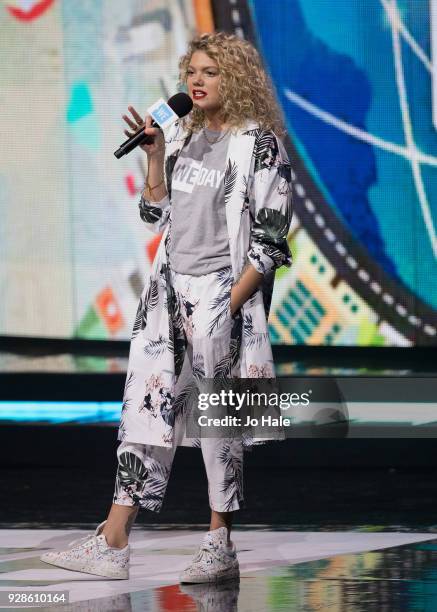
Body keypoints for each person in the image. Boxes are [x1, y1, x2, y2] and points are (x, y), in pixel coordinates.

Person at [40, 31, 293, 584]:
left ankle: (219, 541)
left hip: (221, 293)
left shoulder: (260, 145)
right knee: (145, 413)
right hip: (168, 294)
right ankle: (112, 540)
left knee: (216, 423)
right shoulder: (181, 134)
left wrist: (227, 305)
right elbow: (155, 218)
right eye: (192, 73)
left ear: (236, 78)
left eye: (210, 72)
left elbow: (271, 241)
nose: (196, 82)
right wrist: (155, 157)